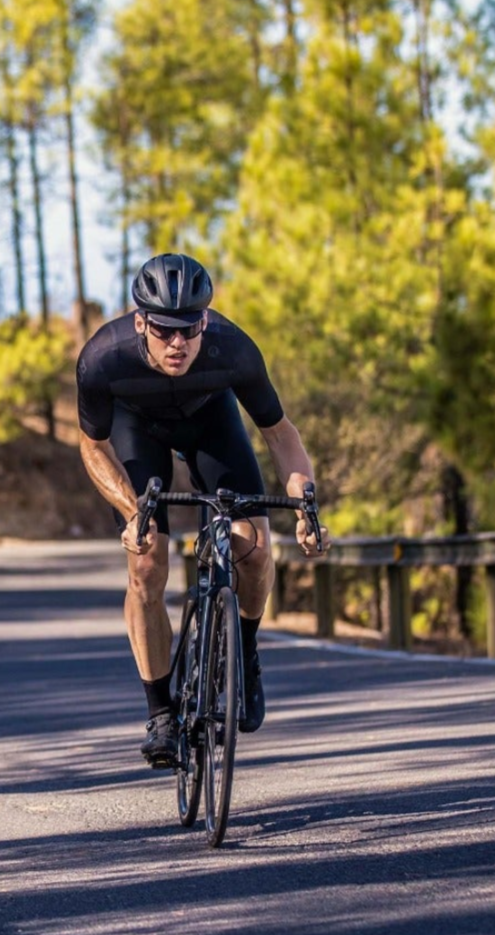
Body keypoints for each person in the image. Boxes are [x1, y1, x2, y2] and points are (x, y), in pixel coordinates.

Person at [76, 252, 329, 767]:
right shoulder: (105, 357)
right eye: (165, 330)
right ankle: (161, 713)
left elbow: (281, 435)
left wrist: (306, 505)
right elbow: (91, 446)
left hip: (211, 421)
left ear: (205, 320)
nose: (178, 343)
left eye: (190, 329)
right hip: (135, 430)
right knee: (147, 562)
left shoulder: (233, 350)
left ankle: (246, 652)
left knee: (254, 550)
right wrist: (131, 513)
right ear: (141, 321)